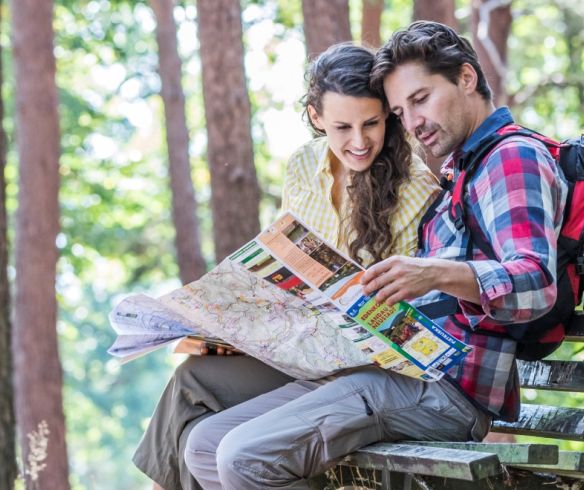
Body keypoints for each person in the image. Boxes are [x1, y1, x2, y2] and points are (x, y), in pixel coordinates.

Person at [182, 23, 568, 490]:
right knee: (203, 445)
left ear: (466, 77)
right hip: (397, 369)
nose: (413, 122)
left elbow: (535, 283)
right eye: (401, 111)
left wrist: (434, 274)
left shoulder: (510, 158)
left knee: (244, 456)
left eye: (421, 98)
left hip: (448, 391)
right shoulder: (465, 168)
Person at [134, 43, 439, 490]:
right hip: (300, 351)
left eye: (371, 123)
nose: (359, 141)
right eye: (342, 126)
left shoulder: (416, 189)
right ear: (316, 116)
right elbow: (280, 273)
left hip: (366, 371)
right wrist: (229, 334)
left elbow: (421, 311)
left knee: (221, 442)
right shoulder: (302, 167)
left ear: (388, 117)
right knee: (192, 380)